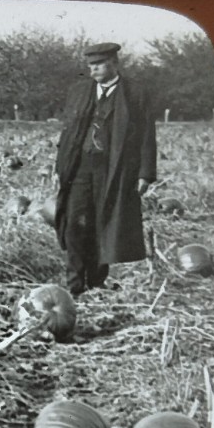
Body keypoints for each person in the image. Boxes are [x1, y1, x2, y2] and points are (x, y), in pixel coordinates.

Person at [53, 42, 158, 294]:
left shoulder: (135, 93)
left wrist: (146, 174)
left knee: (105, 223)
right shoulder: (80, 91)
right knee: (76, 225)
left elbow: (146, 135)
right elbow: (68, 133)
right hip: (79, 168)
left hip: (115, 170)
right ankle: (75, 286)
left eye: (98, 65)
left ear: (114, 63)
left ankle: (96, 282)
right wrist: (60, 168)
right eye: (90, 66)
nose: (93, 71)